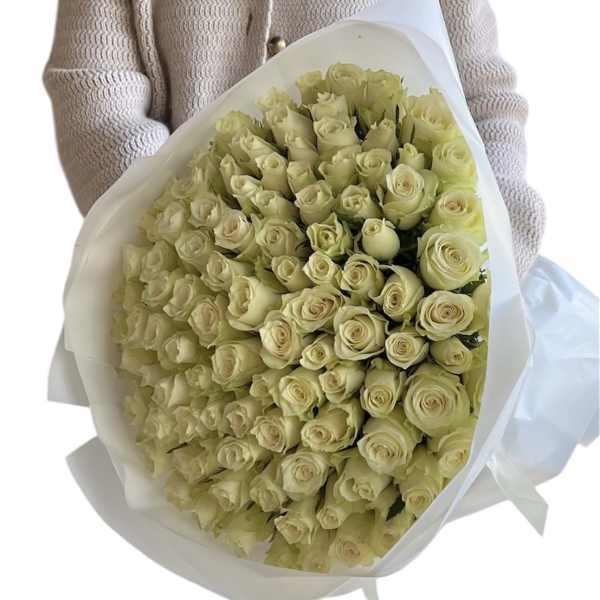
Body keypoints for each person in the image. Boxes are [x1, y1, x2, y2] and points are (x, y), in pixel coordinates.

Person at [43, 0, 544, 277]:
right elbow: (95, 95)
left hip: (408, 303)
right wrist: (192, 239)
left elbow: (483, 97)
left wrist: (492, 239)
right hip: (195, 315)